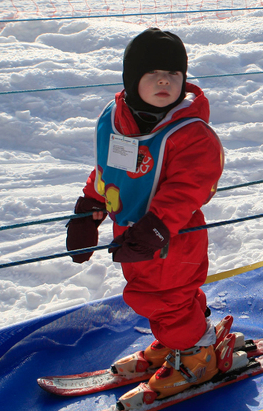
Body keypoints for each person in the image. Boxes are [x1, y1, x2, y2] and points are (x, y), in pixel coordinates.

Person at [65, 28, 227, 406]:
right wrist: (90, 209)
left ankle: (197, 356)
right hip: (134, 235)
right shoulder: (121, 121)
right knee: (164, 296)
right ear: (130, 79)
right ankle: (181, 337)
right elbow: (111, 170)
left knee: (165, 296)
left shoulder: (191, 134)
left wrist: (156, 228)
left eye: (173, 74)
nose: (164, 81)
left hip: (172, 236)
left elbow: (188, 187)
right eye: (152, 73)